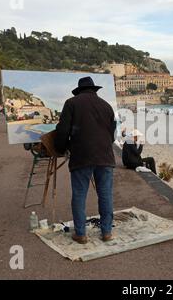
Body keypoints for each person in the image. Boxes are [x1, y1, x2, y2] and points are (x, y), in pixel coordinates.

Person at [54, 77, 116, 244]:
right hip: (105, 156)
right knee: (105, 195)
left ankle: (81, 234)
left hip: (81, 155)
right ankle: (107, 232)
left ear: (79, 90)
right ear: (94, 90)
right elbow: (112, 135)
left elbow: (62, 130)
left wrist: (61, 148)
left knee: (80, 195)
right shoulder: (107, 106)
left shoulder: (71, 103)